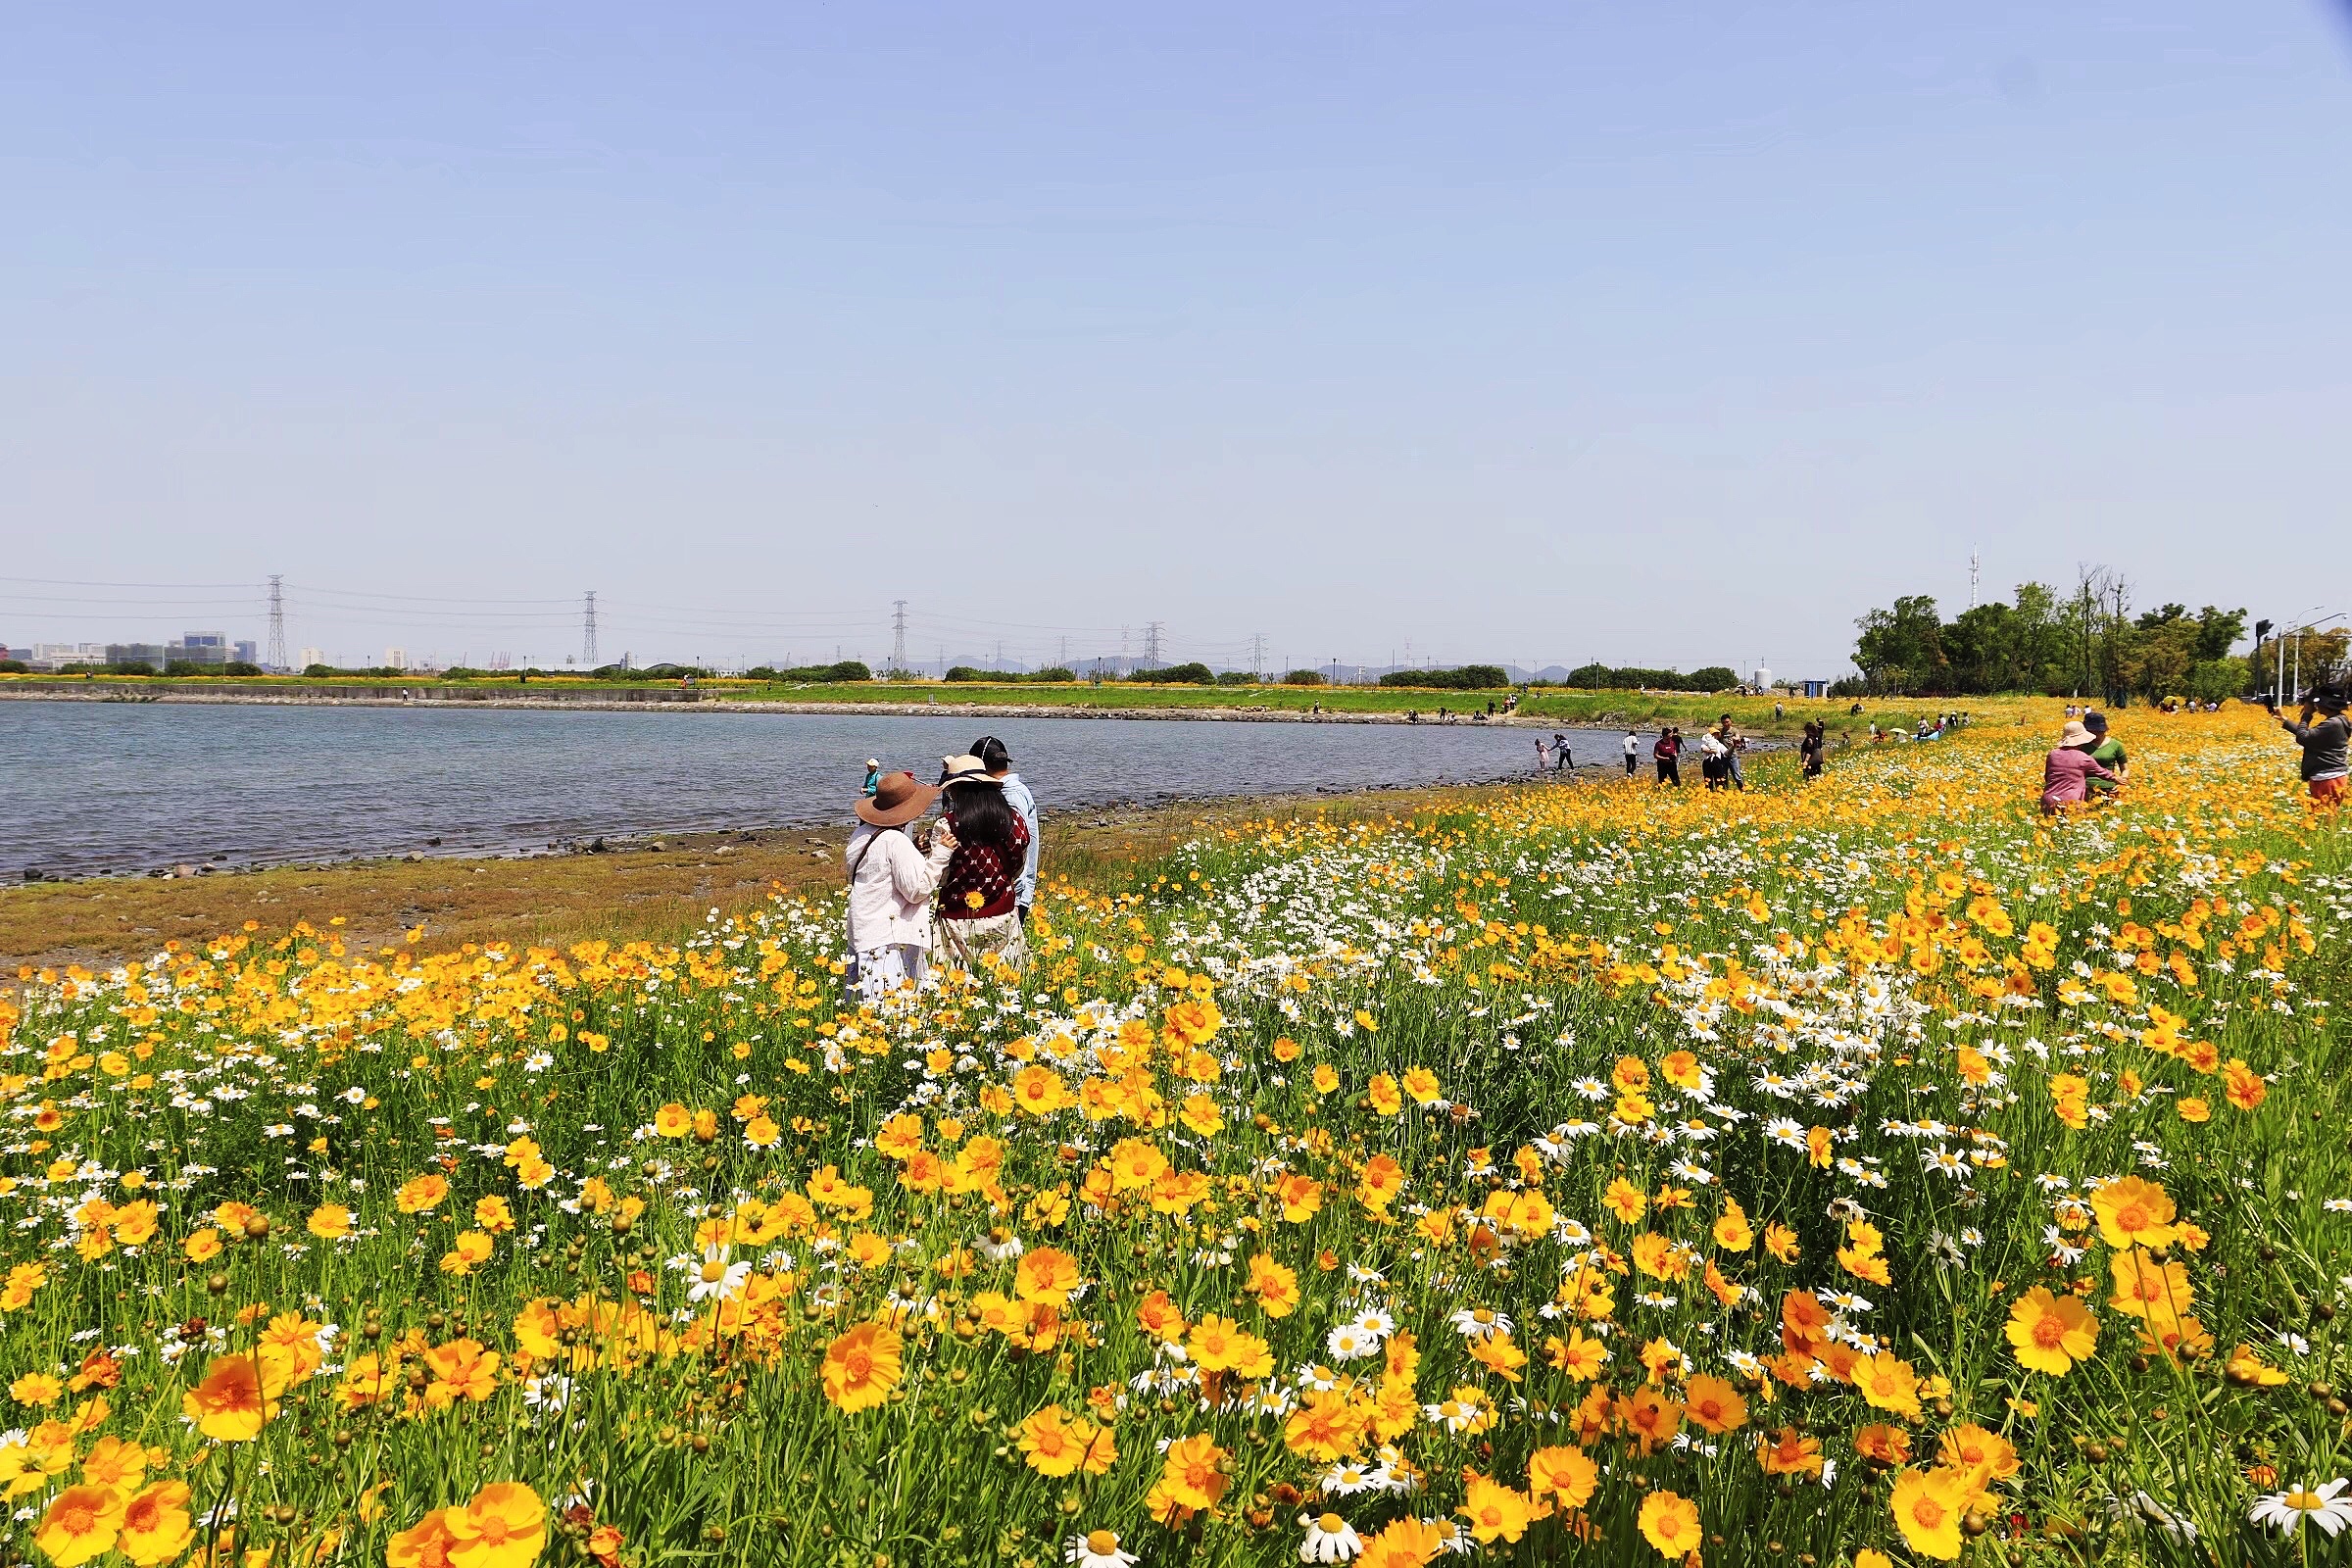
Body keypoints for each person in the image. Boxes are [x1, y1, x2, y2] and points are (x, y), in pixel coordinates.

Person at [845, 770, 952, 1001]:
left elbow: (880, 872)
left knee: (862, 1007)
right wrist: (941, 854)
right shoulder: (895, 841)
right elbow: (916, 890)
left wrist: (914, 850)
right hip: (887, 939)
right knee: (892, 1010)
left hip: (862, 931)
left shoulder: (860, 834)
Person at [930, 754, 1031, 973]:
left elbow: (940, 877)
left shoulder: (946, 825)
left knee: (956, 989)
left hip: (956, 920)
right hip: (1003, 916)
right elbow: (1018, 866)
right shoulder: (1015, 821)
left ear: (955, 790)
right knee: (1006, 982)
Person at [970, 735, 1040, 921]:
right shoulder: (1008, 791)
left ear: (981, 766)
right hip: (1010, 891)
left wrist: (1015, 896)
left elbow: (1018, 844)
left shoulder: (1010, 794)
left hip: (1013, 895)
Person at [2276, 689, 2349, 808]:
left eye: (2318, 702)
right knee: (2324, 816)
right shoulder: (2339, 720)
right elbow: (2309, 736)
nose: (2316, 705)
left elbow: (2303, 737)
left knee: (2324, 816)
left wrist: (2307, 715)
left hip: (2327, 778)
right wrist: (2284, 719)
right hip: (2330, 776)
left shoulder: (2333, 724)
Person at [2040, 719, 2119, 814]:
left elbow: (2047, 777)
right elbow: (2101, 772)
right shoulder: (2084, 758)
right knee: (2071, 828)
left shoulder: (2052, 754)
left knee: (2050, 828)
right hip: (2071, 803)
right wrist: (2117, 779)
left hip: (2048, 801)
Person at [2082, 711, 2128, 797]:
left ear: (2103, 729)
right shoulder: (2080, 744)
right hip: (2084, 788)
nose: (2094, 734)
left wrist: (2121, 782)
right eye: (2090, 731)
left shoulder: (2116, 745)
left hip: (2109, 789)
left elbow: (2125, 769)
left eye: (2097, 731)